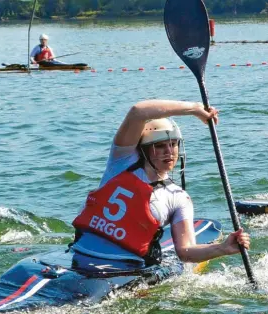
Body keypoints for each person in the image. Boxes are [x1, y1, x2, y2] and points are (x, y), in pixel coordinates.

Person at [72, 100, 250, 266]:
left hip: (123, 268)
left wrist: (222, 248)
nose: (169, 152)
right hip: (80, 256)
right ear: (145, 149)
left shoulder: (178, 197)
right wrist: (194, 109)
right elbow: (139, 111)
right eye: (160, 146)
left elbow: (186, 252)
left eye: (173, 145)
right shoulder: (121, 162)